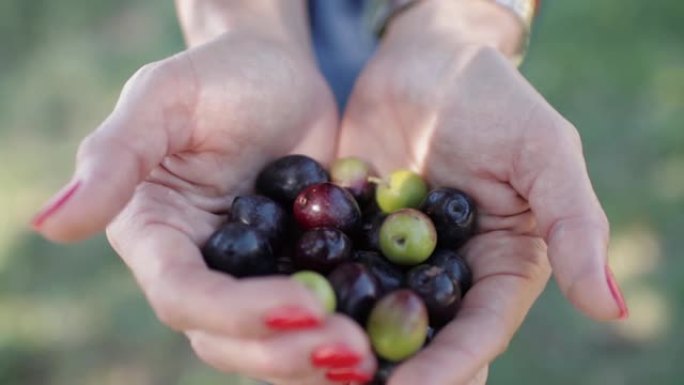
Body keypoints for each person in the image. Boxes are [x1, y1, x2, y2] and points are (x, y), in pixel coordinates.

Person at [31, 1, 628, 384]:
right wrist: (245, 26)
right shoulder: (326, 220)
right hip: (292, 90)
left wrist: (457, 24)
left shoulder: (388, 231)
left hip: (410, 101)